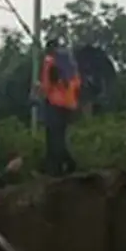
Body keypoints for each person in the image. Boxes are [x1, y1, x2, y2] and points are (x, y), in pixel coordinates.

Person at [39, 39, 81, 177]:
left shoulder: (49, 61)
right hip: (68, 104)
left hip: (54, 103)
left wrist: (39, 91)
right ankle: (59, 167)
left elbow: (47, 85)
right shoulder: (69, 62)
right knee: (60, 136)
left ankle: (60, 168)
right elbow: (77, 84)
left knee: (53, 138)